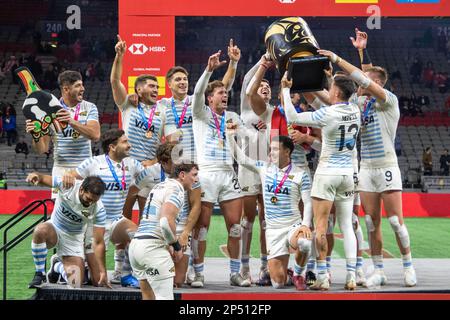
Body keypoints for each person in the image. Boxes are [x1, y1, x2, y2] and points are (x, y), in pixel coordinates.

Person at [318, 45, 417, 287]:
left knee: (396, 221)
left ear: (378, 84)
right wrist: (323, 81)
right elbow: (334, 99)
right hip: (366, 167)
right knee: (372, 222)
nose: (361, 85)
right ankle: (379, 270)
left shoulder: (388, 100)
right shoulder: (361, 104)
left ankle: (408, 265)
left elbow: (359, 77)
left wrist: (338, 58)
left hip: (387, 165)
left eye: (368, 82)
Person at [282, 71, 360, 291]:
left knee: (321, 227)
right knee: (347, 226)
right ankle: (351, 276)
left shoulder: (328, 113)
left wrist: (286, 90)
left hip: (327, 173)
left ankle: (323, 277)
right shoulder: (355, 110)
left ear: (335, 91)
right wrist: (330, 80)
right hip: (347, 174)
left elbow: (293, 118)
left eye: (331, 85)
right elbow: (345, 92)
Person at [190, 51, 250, 287]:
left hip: (229, 174)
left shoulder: (232, 116)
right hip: (206, 174)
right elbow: (196, 93)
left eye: (226, 92)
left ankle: (235, 273)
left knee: (236, 227)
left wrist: (245, 133)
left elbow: (247, 138)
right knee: (201, 229)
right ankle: (199, 273)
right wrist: (208, 70)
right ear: (209, 98)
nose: (225, 95)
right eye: (220, 93)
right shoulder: (201, 113)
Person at [227, 133, 313, 291]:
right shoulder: (263, 168)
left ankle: (299, 274)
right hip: (273, 230)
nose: (270, 153)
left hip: (293, 225)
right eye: (270, 149)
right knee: (278, 284)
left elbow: (308, 203)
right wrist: (229, 136)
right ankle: (287, 274)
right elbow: (242, 159)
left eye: (275, 149)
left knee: (305, 242)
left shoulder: (301, 174)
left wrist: (305, 225)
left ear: (287, 152)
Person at [64, 129, 145, 287]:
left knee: (138, 236)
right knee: (96, 281)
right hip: (94, 221)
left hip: (116, 219)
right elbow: (70, 176)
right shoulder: (94, 162)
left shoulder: (132, 164)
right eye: (125, 142)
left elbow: (149, 177)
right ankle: (59, 264)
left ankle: (126, 275)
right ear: (112, 147)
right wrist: (67, 174)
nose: (129, 145)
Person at [124, 143, 201, 287]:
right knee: (159, 281)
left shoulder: (189, 173)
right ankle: (123, 271)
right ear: (164, 162)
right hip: (157, 228)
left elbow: (196, 205)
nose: (179, 163)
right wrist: (126, 221)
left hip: (180, 225)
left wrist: (185, 233)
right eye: (174, 161)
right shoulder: (149, 173)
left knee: (177, 281)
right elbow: (131, 193)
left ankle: (191, 270)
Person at [25, 70, 100, 198]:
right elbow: (42, 149)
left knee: (86, 210)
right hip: (61, 169)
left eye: (82, 85)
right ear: (66, 89)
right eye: (78, 86)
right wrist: (35, 134)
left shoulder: (89, 107)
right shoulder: (49, 111)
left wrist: (71, 121)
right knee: (60, 214)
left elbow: (95, 135)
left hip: (85, 168)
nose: (83, 88)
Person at [26, 174, 109, 289]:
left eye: (94, 201)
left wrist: (103, 271)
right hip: (55, 228)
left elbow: (99, 242)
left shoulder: (99, 210)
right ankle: (40, 274)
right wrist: (35, 176)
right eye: (88, 199)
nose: (90, 203)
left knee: (76, 285)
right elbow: (42, 178)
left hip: (74, 239)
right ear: (81, 189)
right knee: (40, 230)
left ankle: (57, 266)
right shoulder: (68, 185)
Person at [110, 35, 165, 166]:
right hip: (126, 165)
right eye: (151, 86)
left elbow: (170, 142)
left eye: (157, 87)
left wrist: (154, 162)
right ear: (138, 90)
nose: (156, 90)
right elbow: (115, 81)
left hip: (150, 168)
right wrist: (119, 56)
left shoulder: (163, 109)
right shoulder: (127, 104)